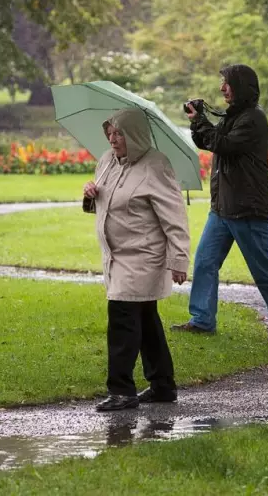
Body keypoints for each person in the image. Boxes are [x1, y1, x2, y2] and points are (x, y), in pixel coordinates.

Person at [174, 64, 268, 344]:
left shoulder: (253, 119)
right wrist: (198, 121)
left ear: (240, 86)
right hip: (223, 208)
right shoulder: (234, 116)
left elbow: (225, 145)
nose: (221, 88)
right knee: (205, 262)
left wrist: (202, 122)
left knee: (262, 269)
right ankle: (202, 320)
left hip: (248, 208)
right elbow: (209, 141)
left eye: (226, 83)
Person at [82, 108, 191, 412]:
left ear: (136, 135)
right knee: (145, 319)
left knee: (122, 321)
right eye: (111, 132)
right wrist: (90, 193)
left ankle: (121, 390)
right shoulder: (106, 162)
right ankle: (162, 386)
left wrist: (179, 259)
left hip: (143, 257)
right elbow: (105, 204)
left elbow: (175, 217)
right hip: (115, 257)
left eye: (120, 133)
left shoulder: (155, 165)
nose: (113, 139)